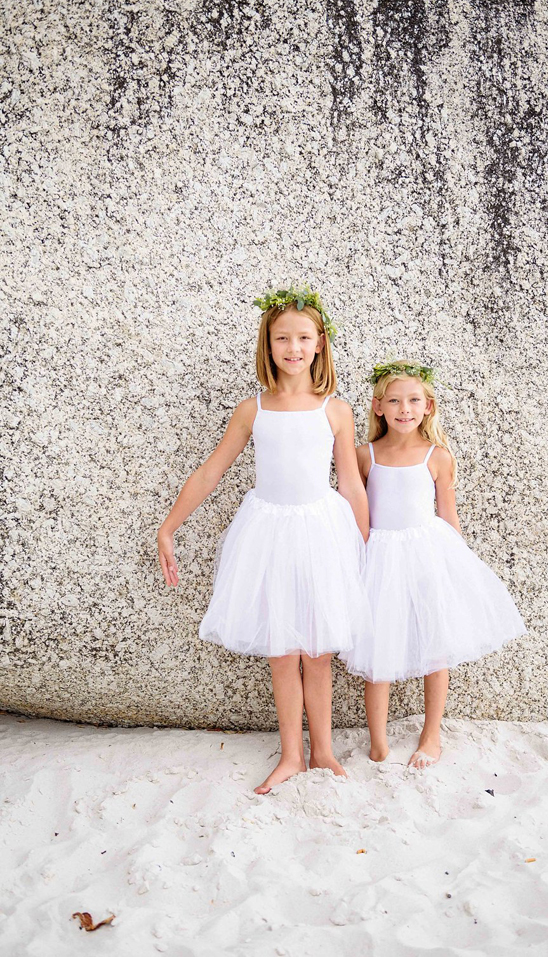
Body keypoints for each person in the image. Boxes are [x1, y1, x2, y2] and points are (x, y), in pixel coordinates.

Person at [157, 285, 371, 793]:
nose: (292, 348)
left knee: (318, 653)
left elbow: (350, 483)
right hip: (269, 533)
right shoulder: (252, 409)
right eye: (282, 339)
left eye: (302, 338)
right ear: (268, 345)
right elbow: (211, 471)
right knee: (283, 649)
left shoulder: (335, 410)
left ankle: (323, 751)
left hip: (321, 533)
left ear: (320, 343)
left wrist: (365, 547)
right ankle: (291, 755)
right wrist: (168, 526)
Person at [341, 360, 528, 769]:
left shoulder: (437, 456)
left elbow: (447, 515)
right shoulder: (364, 456)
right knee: (378, 649)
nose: (404, 408)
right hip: (381, 559)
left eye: (413, 400)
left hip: (427, 555)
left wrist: (458, 567)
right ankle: (378, 741)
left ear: (428, 406)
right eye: (394, 400)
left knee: (435, 645)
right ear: (378, 407)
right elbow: (357, 515)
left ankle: (431, 734)